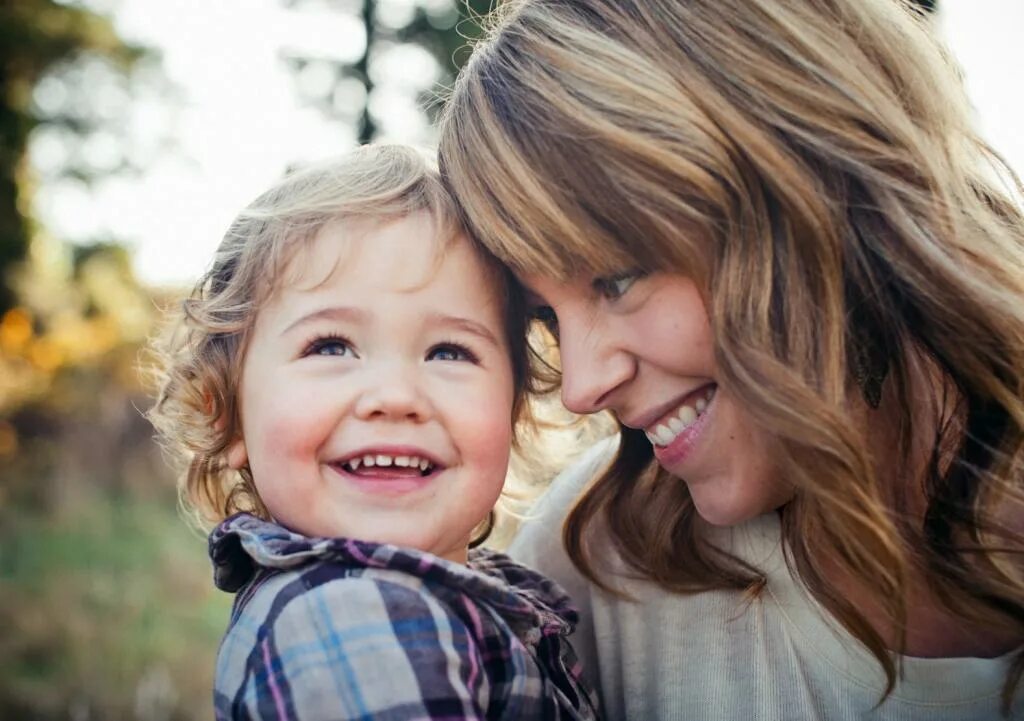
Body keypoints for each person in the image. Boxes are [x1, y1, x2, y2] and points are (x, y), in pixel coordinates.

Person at [436, 0, 1024, 719]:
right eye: (547, 320)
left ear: (807, 178)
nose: (584, 388)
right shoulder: (588, 569)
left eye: (617, 278)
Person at [148, 145, 599, 720]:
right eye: (330, 346)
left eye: (449, 351)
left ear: (512, 407)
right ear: (229, 414)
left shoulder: (460, 597)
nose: (396, 397)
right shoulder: (353, 616)